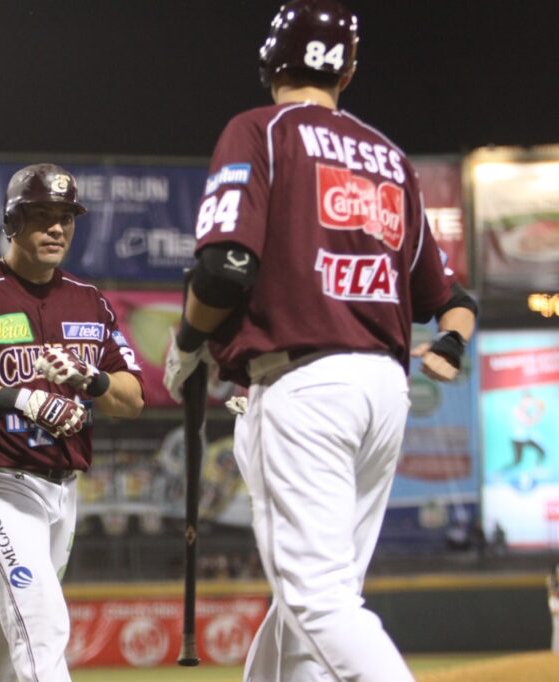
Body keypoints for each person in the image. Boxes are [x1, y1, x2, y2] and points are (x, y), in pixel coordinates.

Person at [162, 2, 478, 680]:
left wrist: (189, 340)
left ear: (269, 63)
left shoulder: (260, 130)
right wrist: (450, 347)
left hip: (303, 387)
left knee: (319, 598)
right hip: (384, 393)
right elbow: (453, 303)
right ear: (350, 69)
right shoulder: (389, 158)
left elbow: (224, 268)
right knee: (308, 604)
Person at [0, 163, 144, 681]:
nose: (57, 228)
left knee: (1, 635)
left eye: (66, 216)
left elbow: (131, 399)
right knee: (41, 625)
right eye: (41, 215)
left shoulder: (91, 302)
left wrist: (93, 379)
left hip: (62, 487)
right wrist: (21, 399)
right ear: (11, 223)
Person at [549, 563, 559, 654]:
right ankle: (555, 651)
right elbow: (554, 611)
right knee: (557, 631)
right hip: (557, 618)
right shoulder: (552, 580)